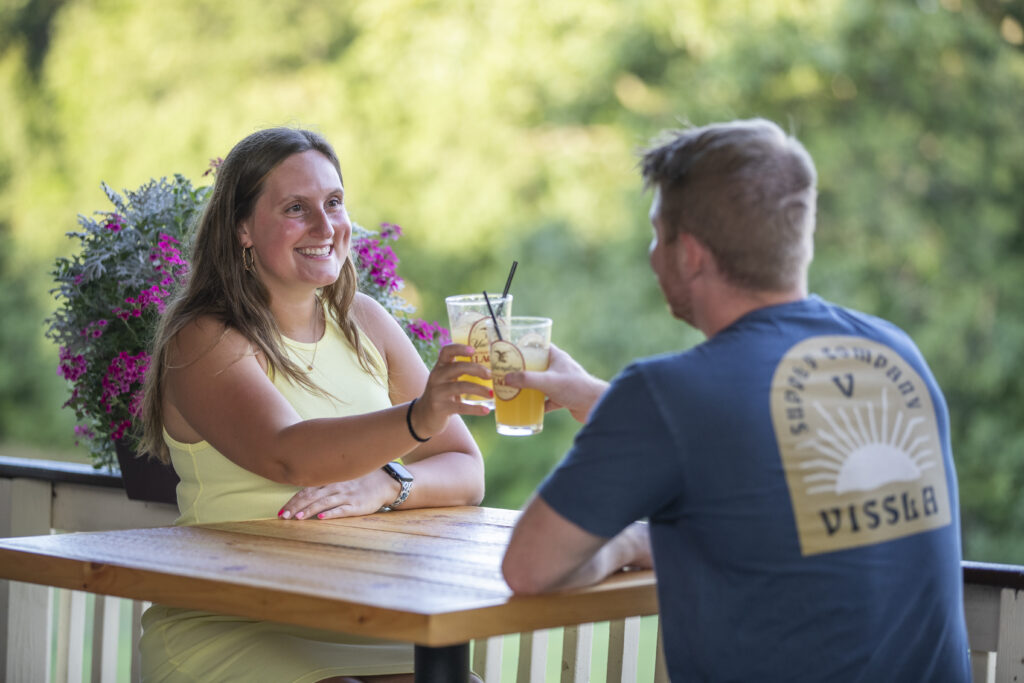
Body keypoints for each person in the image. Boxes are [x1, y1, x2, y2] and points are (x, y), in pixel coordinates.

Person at [501, 118, 971, 681]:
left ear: (691, 254)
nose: (652, 256)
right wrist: (601, 402)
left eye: (658, 234)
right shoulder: (894, 355)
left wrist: (631, 540)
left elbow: (528, 569)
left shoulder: (665, 394)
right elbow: (763, 452)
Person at [137, 127, 490, 683]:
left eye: (334, 203)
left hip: (353, 614)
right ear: (243, 229)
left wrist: (387, 485)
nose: (326, 227)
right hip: (233, 619)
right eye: (297, 209)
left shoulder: (366, 321)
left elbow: (466, 470)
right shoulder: (203, 338)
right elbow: (288, 455)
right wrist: (419, 417)